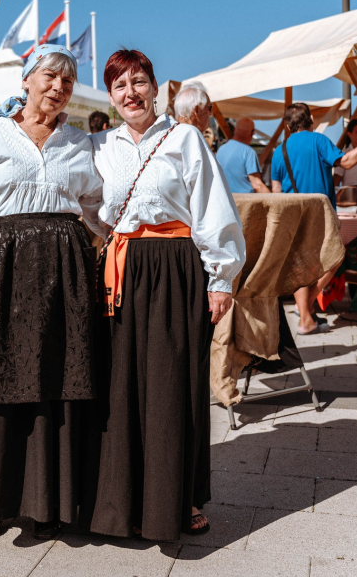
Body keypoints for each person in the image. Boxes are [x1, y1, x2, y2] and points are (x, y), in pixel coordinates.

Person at [0, 44, 105, 540]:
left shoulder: (79, 142)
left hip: (64, 273)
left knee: (59, 381)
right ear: (26, 81)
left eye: (67, 82)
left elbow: (99, 210)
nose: (58, 88)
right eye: (50, 77)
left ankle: (50, 501)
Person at [85, 49, 246, 542]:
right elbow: (91, 207)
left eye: (138, 82)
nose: (130, 93)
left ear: (156, 88)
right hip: (122, 271)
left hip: (177, 268)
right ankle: (124, 500)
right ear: (110, 97)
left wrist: (220, 280)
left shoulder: (186, 138)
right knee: (121, 387)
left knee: (176, 384)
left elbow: (214, 209)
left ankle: (181, 497)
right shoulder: (98, 145)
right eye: (119, 86)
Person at [271, 103, 357, 334]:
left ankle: (306, 317)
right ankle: (306, 310)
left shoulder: (279, 150)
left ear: (287, 125)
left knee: (300, 269)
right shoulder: (318, 141)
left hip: (291, 217)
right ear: (311, 121)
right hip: (319, 214)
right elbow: (347, 162)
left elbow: (275, 192)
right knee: (335, 259)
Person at [216, 117, 270, 194]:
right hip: (244, 203)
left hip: (224, 200)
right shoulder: (248, 152)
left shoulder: (220, 150)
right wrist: (274, 202)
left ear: (234, 130)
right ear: (252, 133)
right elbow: (257, 184)